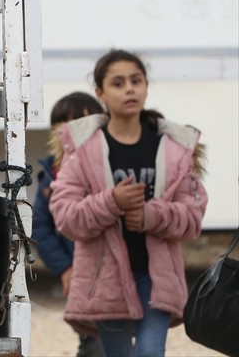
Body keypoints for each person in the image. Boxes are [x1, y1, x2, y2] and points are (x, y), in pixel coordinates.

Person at [50, 49, 208, 357]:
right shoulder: (83, 152)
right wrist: (111, 201)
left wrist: (152, 216)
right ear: (101, 93)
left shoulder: (173, 151)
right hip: (106, 277)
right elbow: (66, 217)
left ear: (147, 86)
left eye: (136, 81)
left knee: (150, 352)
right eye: (118, 83)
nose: (129, 89)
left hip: (157, 276)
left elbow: (193, 215)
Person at [33, 91, 106, 357]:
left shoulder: (111, 164)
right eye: (68, 125)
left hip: (117, 271)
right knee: (94, 342)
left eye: (86, 123)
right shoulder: (53, 175)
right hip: (80, 274)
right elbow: (40, 226)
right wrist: (65, 267)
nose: (78, 132)